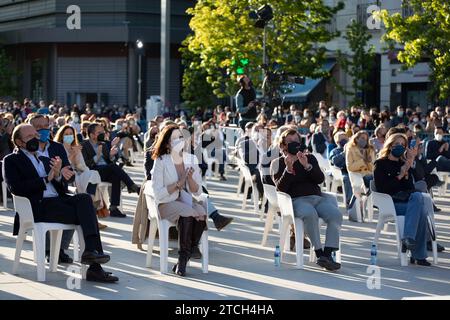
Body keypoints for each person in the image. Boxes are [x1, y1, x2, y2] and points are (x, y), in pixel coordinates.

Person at [4, 124, 118, 282]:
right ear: (19, 142)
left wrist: (58, 175)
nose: (36, 138)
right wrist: (47, 178)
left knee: (85, 199)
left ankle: (91, 252)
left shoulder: (43, 158)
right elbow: (15, 188)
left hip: (57, 201)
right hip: (37, 206)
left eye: (35, 135)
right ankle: (94, 267)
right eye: (30, 137)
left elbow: (60, 185)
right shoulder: (11, 160)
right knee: (87, 215)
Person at [271, 128, 342, 271]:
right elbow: (280, 189)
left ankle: (327, 255)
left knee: (335, 214)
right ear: (283, 145)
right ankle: (319, 252)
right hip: (297, 201)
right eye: (290, 142)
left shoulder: (310, 158)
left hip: (318, 199)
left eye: (296, 141)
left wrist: (307, 166)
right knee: (310, 214)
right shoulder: (277, 163)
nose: (294, 144)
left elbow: (320, 179)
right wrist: (288, 170)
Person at [150, 124, 207, 276]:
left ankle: (186, 255)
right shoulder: (161, 161)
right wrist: (178, 184)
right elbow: (158, 193)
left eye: (180, 137)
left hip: (186, 200)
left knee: (201, 212)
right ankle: (184, 259)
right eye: (174, 138)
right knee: (190, 213)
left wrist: (190, 180)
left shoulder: (191, 159)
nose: (178, 141)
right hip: (166, 203)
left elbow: (198, 191)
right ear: (167, 143)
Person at [374, 133, 433, 266]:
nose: (400, 147)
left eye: (403, 145)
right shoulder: (380, 164)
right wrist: (400, 175)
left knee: (419, 204)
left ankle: (408, 240)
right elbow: (383, 188)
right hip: (390, 203)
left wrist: (409, 164)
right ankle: (418, 255)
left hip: (406, 202)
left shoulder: (403, 163)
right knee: (421, 210)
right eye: (397, 144)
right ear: (390, 146)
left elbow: (411, 188)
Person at [81, 123, 140, 217]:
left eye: (103, 132)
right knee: (113, 167)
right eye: (99, 132)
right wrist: (98, 155)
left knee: (115, 176)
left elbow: (109, 160)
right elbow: (86, 164)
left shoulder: (104, 144)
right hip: (93, 172)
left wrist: (111, 155)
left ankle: (113, 208)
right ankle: (132, 186)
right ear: (92, 135)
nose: (102, 134)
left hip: (105, 171)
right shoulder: (84, 145)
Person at [53, 125, 107, 228]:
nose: (69, 136)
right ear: (61, 136)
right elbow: (64, 165)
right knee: (91, 178)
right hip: (67, 176)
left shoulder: (76, 147)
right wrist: (72, 154)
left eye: (71, 134)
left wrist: (77, 155)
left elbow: (82, 166)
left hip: (78, 173)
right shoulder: (58, 148)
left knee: (92, 174)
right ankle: (92, 217)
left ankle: (90, 208)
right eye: (66, 134)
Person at [329, 131, 353, 207]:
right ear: (337, 141)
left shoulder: (352, 150)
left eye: (345, 139)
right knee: (348, 179)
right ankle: (350, 202)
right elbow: (334, 161)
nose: (344, 141)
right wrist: (344, 153)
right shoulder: (334, 151)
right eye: (341, 139)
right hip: (342, 172)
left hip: (353, 170)